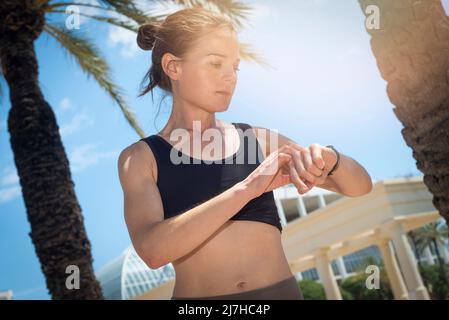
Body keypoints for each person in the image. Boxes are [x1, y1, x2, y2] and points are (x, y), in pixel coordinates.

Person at [117, 7, 371, 300]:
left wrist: (331, 159)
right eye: (215, 64)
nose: (230, 78)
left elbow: (361, 187)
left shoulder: (259, 140)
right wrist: (248, 189)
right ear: (174, 67)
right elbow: (152, 251)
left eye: (235, 67)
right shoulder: (140, 158)